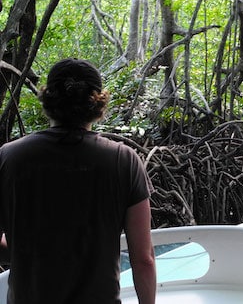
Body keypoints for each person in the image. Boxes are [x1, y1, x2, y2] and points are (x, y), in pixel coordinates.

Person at [0, 58, 156, 304]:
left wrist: (28, 244)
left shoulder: (9, 157)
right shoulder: (123, 161)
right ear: (98, 103)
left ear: (47, 100)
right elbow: (143, 258)